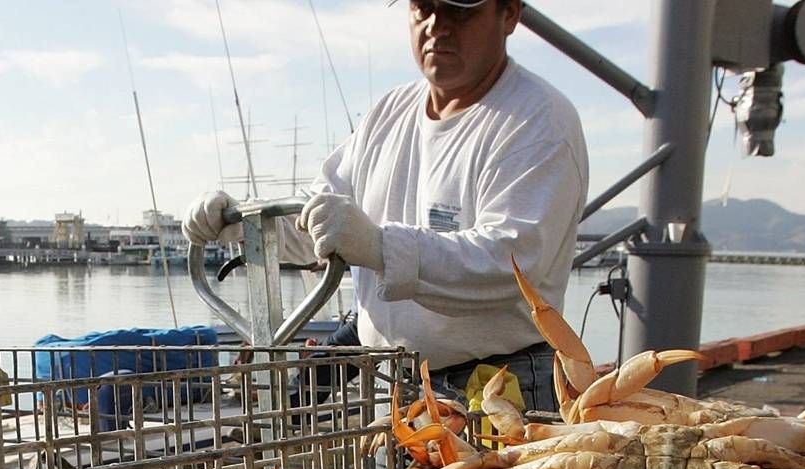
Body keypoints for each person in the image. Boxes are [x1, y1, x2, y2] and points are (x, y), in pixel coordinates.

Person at [182, 0, 587, 413]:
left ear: (510, 13)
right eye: (423, 7)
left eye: (459, 9)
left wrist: (379, 246)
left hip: (500, 391)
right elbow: (316, 220)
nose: (437, 25)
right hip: (394, 387)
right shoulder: (388, 114)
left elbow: (513, 263)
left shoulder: (539, 121)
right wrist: (247, 221)